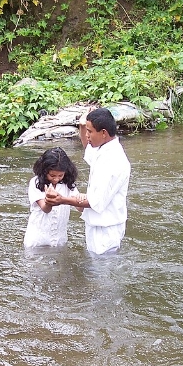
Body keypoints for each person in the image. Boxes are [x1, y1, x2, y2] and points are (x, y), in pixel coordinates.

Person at [45, 107, 131, 255]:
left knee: (101, 272)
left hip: (106, 230)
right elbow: (88, 147)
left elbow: (94, 202)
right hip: (98, 225)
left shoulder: (113, 161)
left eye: (90, 132)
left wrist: (62, 200)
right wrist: (83, 124)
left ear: (103, 133)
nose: (87, 135)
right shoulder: (104, 149)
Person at [23, 147, 82, 248]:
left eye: (60, 175)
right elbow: (45, 209)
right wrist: (49, 199)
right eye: (52, 175)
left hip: (60, 240)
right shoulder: (36, 183)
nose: (56, 179)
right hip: (37, 240)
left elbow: (80, 207)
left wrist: (81, 198)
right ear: (44, 171)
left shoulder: (67, 184)